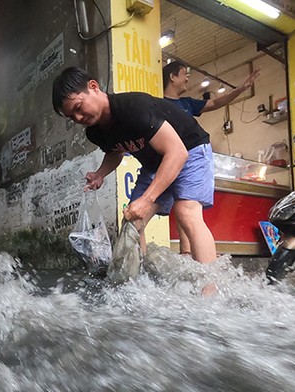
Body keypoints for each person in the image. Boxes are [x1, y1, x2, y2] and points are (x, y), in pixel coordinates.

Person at [51, 66, 217, 264]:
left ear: (93, 87)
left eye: (78, 108)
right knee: (133, 221)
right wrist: (100, 174)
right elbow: (116, 151)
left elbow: (177, 152)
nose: (78, 118)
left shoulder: (132, 108)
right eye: (71, 117)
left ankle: (210, 289)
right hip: (155, 163)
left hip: (190, 149)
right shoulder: (94, 132)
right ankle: (140, 284)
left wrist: (147, 200)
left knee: (186, 212)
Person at [163, 60, 260, 254]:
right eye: (184, 74)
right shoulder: (158, 104)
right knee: (182, 208)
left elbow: (215, 102)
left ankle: (197, 263)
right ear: (173, 76)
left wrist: (240, 89)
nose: (188, 78)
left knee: (188, 208)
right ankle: (187, 256)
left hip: (192, 160)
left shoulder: (187, 103)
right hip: (171, 160)